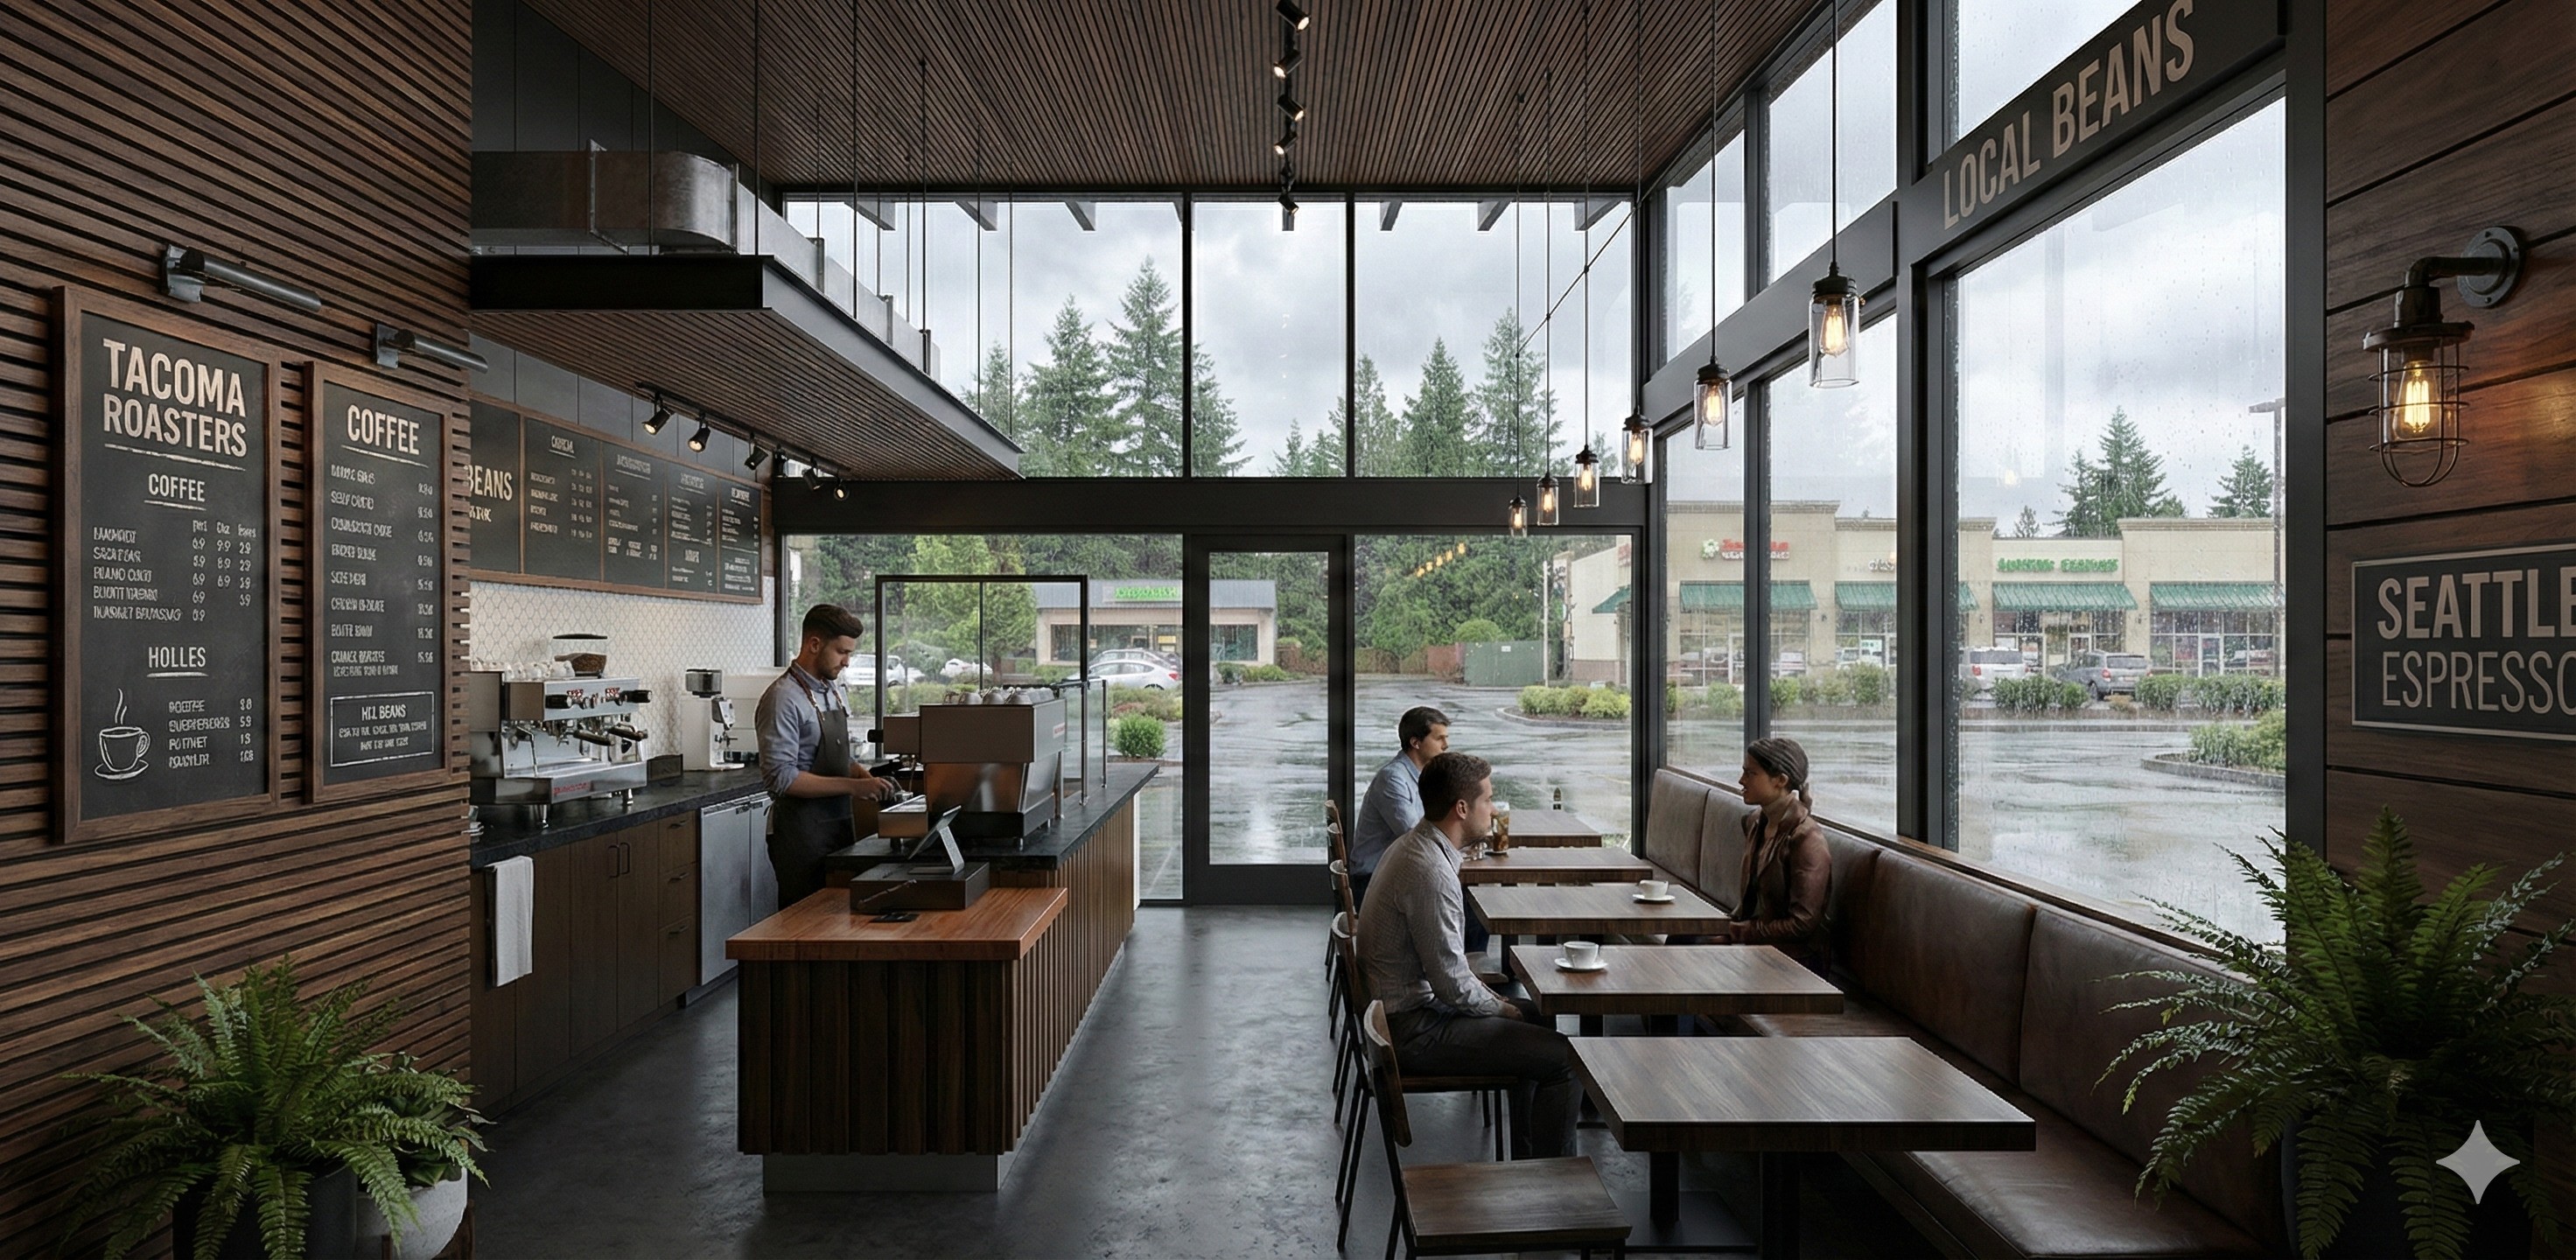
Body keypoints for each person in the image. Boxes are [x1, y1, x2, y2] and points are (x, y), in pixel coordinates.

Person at [1356, 752, 1579, 1159]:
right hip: (1413, 1030)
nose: (1493, 810)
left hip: (1406, 1013)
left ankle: (1529, 1159)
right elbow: (1451, 985)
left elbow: (1450, 975)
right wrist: (1502, 1008)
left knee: (1537, 1016)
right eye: (1488, 800)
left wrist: (1505, 1006)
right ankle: (1553, 1183)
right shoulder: (1429, 870)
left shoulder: (1418, 846)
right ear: (1461, 808)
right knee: (1566, 1058)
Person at [755, 604, 902, 908]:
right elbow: (782, 778)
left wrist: (866, 778)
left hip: (838, 828)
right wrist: (854, 787)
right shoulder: (783, 699)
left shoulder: (833, 690)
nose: (847, 662)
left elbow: (835, 758)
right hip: (801, 836)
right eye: (842, 652)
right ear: (814, 644)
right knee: (806, 923)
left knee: (838, 918)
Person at [1715, 736, 1832, 970]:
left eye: (1751, 773)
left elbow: (1801, 924)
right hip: (1758, 942)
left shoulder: (1807, 840)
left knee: (1692, 944)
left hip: (1796, 960)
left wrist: (1738, 932)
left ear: (1781, 780)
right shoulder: (1757, 822)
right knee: (1685, 939)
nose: (1741, 780)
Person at [1348, 705, 1449, 899]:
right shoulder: (1393, 779)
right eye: (1439, 738)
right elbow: (1414, 835)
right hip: (1373, 881)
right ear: (1415, 742)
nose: (1446, 745)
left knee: (1458, 894)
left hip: (1396, 873)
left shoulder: (1422, 775)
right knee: (1460, 900)